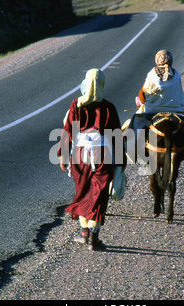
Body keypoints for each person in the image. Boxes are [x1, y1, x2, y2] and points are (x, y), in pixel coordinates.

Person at [57, 68, 122, 251]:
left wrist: (63, 155)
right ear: (102, 83)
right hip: (102, 155)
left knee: (83, 191)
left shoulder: (76, 104)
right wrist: (119, 163)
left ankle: (84, 232)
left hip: (80, 155)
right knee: (99, 194)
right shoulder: (108, 107)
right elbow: (116, 136)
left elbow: (68, 130)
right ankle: (94, 237)